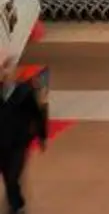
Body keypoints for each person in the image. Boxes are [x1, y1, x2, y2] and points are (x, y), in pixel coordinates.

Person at [0, 59, 45, 214]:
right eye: (4, 71)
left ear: (15, 73)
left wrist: (41, 136)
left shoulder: (25, 92)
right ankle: (16, 201)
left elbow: (37, 114)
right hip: (1, 143)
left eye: (9, 71)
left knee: (13, 176)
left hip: (19, 142)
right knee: (7, 178)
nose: (6, 74)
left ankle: (16, 207)